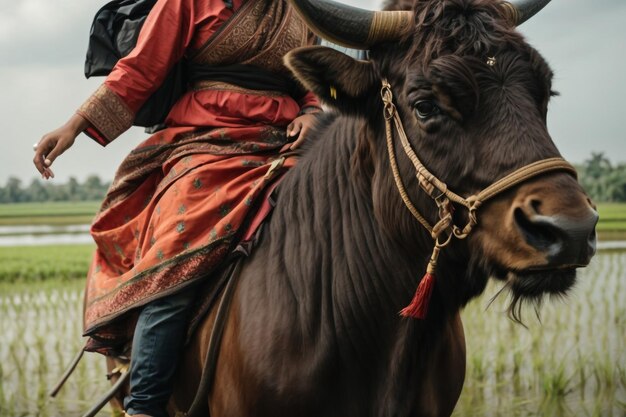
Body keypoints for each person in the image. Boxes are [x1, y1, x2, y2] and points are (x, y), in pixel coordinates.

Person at [32, 1, 321, 416]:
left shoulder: (298, 8)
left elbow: (311, 78)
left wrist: (312, 112)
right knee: (176, 263)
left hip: (287, 144)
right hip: (205, 144)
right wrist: (75, 125)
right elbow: (140, 70)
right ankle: (145, 406)